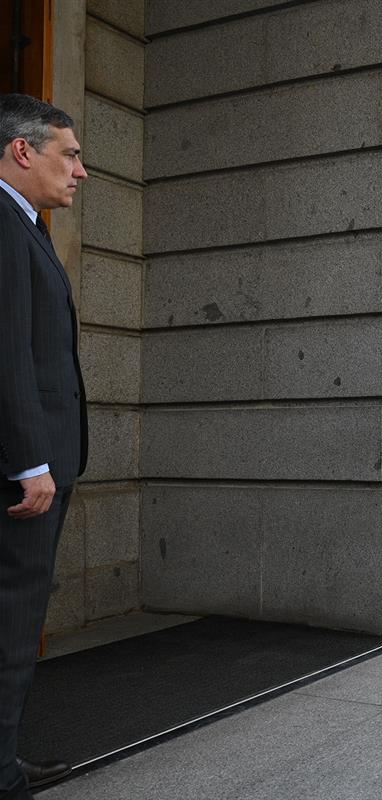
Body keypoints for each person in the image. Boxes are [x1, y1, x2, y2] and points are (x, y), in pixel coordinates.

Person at [0, 94, 89, 800]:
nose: (80, 171)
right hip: (23, 473)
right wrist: (31, 461)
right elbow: (7, 354)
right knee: (13, 620)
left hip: (35, 465)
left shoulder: (23, 225)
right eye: (71, 153)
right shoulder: (3, 224)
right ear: (22, 151)